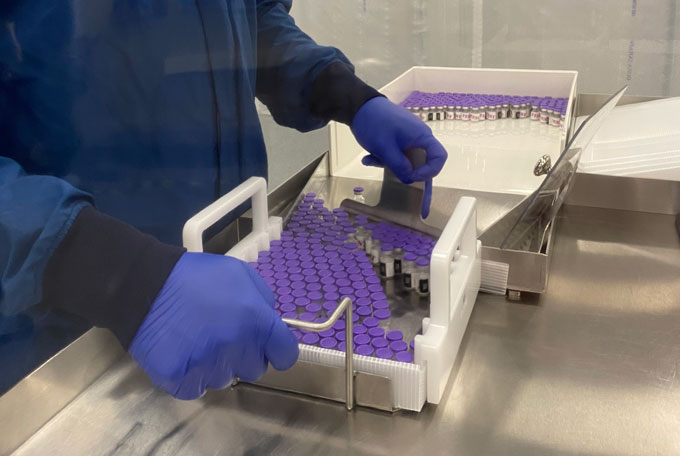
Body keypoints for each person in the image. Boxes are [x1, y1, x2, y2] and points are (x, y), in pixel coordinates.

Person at [0, 0, 447, 399]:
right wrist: (120, 275)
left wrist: (342, 93)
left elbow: (252, 21)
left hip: (228, 272)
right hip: (59, 334)